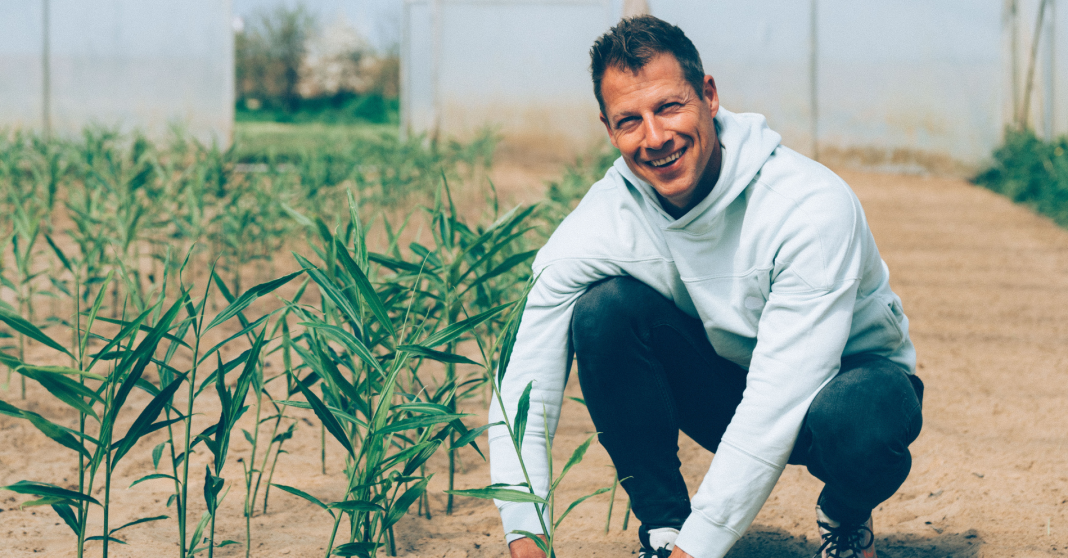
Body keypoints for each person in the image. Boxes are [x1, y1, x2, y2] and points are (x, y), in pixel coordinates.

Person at [487, 15, 923, 558]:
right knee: (603, 312)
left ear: (709, 96)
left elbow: (779, 396)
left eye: (669, 107)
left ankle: (845, 512)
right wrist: (525, 535)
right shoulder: (603, 221)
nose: (655, 138)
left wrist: (702, 549)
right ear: (608, 129)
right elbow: (524, 386)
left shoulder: (808, 207)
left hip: (844, 390)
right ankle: (664, 527)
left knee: (863, 418)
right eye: (630, 120)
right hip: (725, 384)